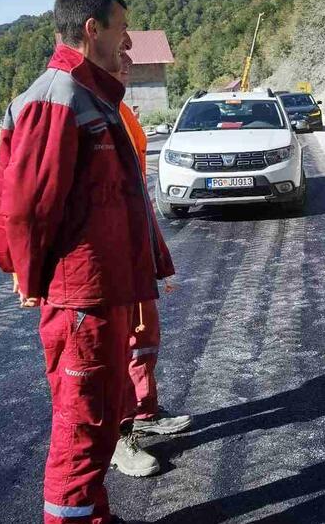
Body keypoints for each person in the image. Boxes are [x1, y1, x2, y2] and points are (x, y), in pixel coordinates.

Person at [0, 0, 174, 524]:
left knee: (97, 423)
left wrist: (153, 263)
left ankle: (95, 515)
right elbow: (26, 205)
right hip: (82, 296)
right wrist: (27, 273)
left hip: (106, 288)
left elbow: (121, 198)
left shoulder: (93, 96)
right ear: (91, 29)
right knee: (81, 429)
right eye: (121, 33)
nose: (128, 46)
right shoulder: (58, 97)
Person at [110, 51, 192, 479]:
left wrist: (151, 248)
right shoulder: (93, 109)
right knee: (113, 347)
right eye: (118, 59)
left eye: (129, 61)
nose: (127, 66)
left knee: (143, 335)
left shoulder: (122, 110)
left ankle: (143, 411)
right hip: (108, 253)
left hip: (135, 239)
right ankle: (118, 433)